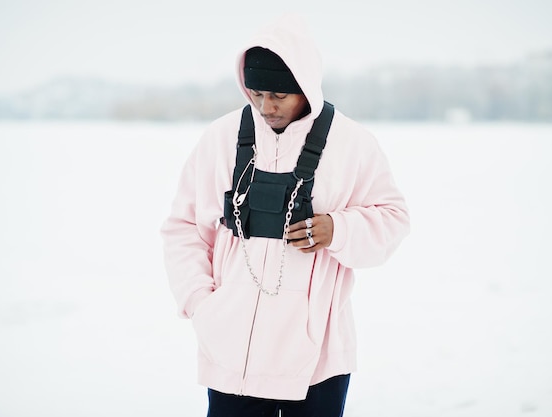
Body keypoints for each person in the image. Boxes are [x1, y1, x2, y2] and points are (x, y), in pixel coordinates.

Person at [160, 14, 410, 417]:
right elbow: (183, 227)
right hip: (231, 352)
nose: (266, 106)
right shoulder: (221, 139)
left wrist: (338, 229)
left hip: (317, 361)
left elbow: (394, 219)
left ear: (305, 87)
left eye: (278, 95)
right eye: (255, 93)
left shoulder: (353, 144)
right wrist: (201, 303)